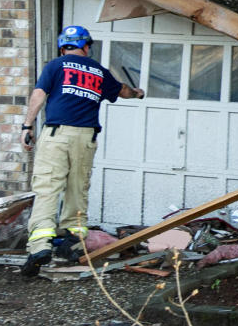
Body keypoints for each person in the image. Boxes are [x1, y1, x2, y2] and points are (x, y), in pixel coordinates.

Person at [19, 24, 144, 277]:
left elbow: (39, 94)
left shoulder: (56, 65)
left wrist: (27, 125)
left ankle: (40, 246)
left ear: (63, 46)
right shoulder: (99, 71)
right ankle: (73, 243)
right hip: (86, 137)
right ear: (86, 46)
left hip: (57, 134)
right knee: (77, 189)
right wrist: (138, 93)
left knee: (47, 188)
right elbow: (123, 91)